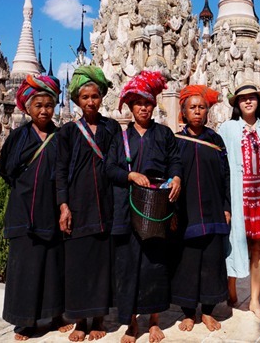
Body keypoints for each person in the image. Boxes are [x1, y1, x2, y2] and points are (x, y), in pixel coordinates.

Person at [110, 70, 182, 343]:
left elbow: (175, 161)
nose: (143, 107)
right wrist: (129, 175)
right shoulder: (121, 137)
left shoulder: (163, 134)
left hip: (158, 206)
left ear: (154, 105)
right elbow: (109, 168)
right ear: (130, 106)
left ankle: (153, 321)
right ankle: (131, 323)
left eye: (148, 102)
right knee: (128, 266)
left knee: (155, 264)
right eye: (138, 103)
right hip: (129, 207)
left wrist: (176, 177)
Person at [0, 74, 71, 340]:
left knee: (54, 265)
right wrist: (27, 190)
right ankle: (25, 322)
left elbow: (67, 172)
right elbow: (4, 169)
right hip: (22, 210)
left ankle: (56, 315)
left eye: (49, 105)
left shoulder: (61, 137)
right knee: (25, 268)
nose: (44, 110)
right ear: (27, 108)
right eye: (38, 105)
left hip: (52, 210)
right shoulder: (18, 137)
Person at [55, 65, 118, 342]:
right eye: (84, 97)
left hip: (105, 205)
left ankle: (99, 319)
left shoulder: (111, 127)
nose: (90, 101)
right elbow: (60, 170)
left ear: (101, 96)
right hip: (78, 207)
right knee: (77, 265)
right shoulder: (68, 132)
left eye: (95, 96)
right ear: (76, 101)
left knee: (102, 264)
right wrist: (63, 205)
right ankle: (80, 320)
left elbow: (118, 165)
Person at [217, 81, 260, 320]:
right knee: (233, 244)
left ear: (259, 101)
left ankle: (254, 299)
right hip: (237, 195)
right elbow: (222, 166)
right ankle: (231, 288)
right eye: (243, 99)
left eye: (252, 97)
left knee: (258, 248)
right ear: (237, 103)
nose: (248, 101)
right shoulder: (228, 129)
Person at [171, 85, 230, 333]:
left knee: (211, 261)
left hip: (214, 209)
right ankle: (188, 312)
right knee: (187, 261)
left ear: (208, 111)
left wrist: (227, 206)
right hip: (186, 212)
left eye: (201, 107)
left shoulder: (216, 140)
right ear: (183, 112)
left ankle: (207, 311)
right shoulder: (175, 141)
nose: (197, 111)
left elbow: (225, 176)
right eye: (192, 107)